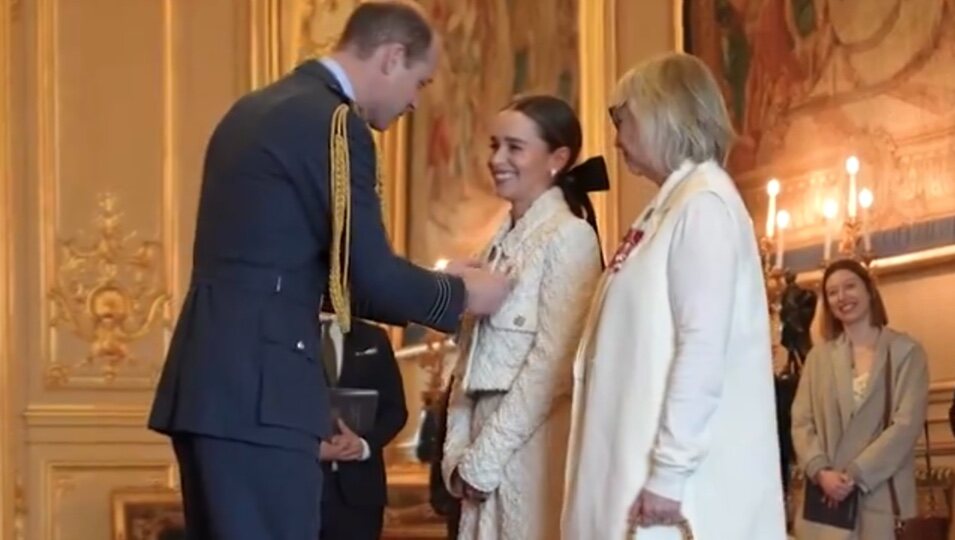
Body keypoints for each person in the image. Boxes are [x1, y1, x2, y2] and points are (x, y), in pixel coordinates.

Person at [147, 3, 511, 539]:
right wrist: (460, 294)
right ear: (391, 57)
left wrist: (433, 278)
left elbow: (314, 278)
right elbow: (369, 277)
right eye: (420, 80)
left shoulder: (258, 109)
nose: (416, 100)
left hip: (218, 389)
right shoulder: (334, 124)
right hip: (263, 396)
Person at [561, 52, 786, 540]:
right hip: (630, 471)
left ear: (665, 114)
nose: (617, 140)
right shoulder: (667, 207)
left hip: (673, 497)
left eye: (626, 121)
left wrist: (669, 472)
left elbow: (702, 347)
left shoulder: (703, 205)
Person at [441, 95, 605, 539]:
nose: (497, 159)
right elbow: (466, 360)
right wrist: (456, 453)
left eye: (514, 147)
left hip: (531, 451)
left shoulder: (570, 237)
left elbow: (554, 367)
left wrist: (485, 460)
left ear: (558, 158)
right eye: (495, 145)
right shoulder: (493, 245)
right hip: (479, 455)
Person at [791, 258, 929, 540]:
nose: (842, 297)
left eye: (849, 286)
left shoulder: (906, 352)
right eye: (832, 292)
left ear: (869, 290)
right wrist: (820, 471)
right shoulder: (818, 358)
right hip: (826, 504)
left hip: (879, 495)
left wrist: (855, 473)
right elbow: (801, 422)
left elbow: (906, 425)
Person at [317, 313, 407, 540]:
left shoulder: (373, 338)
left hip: (360, 494)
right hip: (297, 489)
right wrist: (308, 447)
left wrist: (364, 445)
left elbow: (395, 410)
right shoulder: (283, 336)